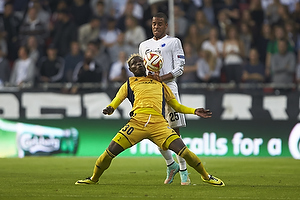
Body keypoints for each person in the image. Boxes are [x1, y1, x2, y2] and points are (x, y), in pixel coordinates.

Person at [75, 54, 225, 187]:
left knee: (184, 152)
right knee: (109, 153)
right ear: (130, 69)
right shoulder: (129, 83)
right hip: (136, 123)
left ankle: (206, 177)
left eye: (140, 62)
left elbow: (176, 106)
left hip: (159, 124)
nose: (138, 64)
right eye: (134, 63)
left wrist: (194, 111)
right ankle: (94, 178)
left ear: (146, 65)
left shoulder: (160, 84)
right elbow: (116, 101)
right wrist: (110, 108)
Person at [139, 12, 190, 185]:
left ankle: (183, 170)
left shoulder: (174, 42)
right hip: (152, 93)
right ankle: (171, 165)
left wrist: (162, 77)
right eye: (154, 24)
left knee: (174, 133)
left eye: (160, 24)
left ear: (166, 25)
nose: (156, 26)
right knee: (154, 133)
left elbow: (180, 69)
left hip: (169, 90)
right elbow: (142, 70)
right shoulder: (143, 45)